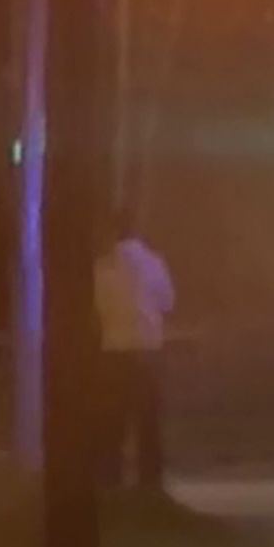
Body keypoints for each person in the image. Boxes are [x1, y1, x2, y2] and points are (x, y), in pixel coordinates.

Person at [95, 204, 174, 489]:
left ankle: (111, 479)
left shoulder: (103, 267)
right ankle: (150, 480)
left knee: (113, 420)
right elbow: (168, 302)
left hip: (114, 351)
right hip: (148, 350)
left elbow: (97, 307)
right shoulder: (154, 261)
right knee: (148, 421)